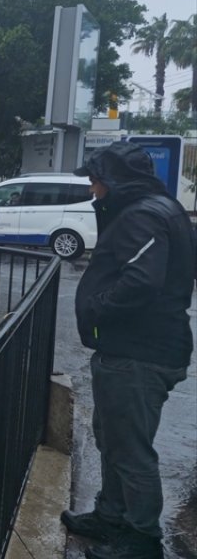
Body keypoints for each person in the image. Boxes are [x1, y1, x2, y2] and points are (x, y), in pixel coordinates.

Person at [61, 141, 194, 559]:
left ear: (113, 180)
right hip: (137, 348)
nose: (92, 189)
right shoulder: (161, 208)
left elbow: (140, 282)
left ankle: (141, 538)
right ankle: (111, 515)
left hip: (139, 353)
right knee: (112, 437)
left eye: (95, 181)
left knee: (130, 449)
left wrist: (98, 311)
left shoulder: (142, 215)